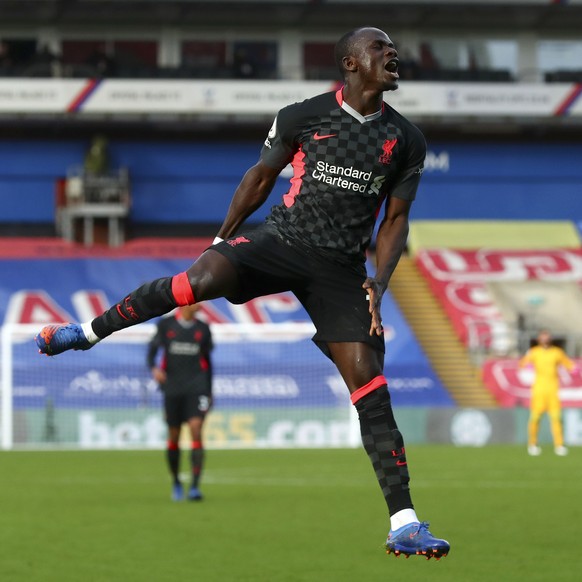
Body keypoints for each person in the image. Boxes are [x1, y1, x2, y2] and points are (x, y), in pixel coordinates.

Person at [36, 26, 449, 559]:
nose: (392, 53)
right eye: (379, 47)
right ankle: (89, 333)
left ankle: (404, 523)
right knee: (196, 281)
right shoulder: (304, 115)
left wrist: (380, 281)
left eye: (393, 48)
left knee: (370, 382)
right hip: (283, 238)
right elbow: (261, 176)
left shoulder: (407, 140)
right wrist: (221, 238)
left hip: (342, 269)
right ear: (351, 61)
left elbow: (396, 220)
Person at [147, 304, 213, 501]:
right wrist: (154, 368)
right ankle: (176, 482)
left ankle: (194, 486)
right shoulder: (166, 325)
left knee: (196, 428)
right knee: (174, 435)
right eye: (197, 300)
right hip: (173, 387)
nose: (201, 304)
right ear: (186, 304)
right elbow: (151, 351)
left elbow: (207, 362)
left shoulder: (203, 328)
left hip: (197, 387)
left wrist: (209, 391)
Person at [519, 330, 577, 457]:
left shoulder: (557, 352)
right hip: (539, 390)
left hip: (553, 390)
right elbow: (522, 365)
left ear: (550, 339)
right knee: (535, 417)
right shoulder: (534, 352)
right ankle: (532, 444)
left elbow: (570, 366)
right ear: (539, 339)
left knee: (556, 418)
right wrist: (527, 368)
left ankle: (559, 445)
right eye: (543, 337)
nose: (545, 339)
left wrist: (574, 369)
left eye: (547, 337)